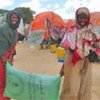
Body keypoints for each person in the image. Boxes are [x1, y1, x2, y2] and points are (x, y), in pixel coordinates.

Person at [59, 7, 100, 100]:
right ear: (77, 18)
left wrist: (94, 46)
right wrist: (64, 65)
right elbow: (67, 48)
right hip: (73, 61)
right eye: (80, 17)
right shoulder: (71, 31)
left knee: (85, 84)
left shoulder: (90, 32)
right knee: (72, 84)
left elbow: (96, 44)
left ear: (88, 18)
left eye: (85, 17)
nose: (83, 20)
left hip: (86, 62)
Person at [0, 10, 20, 100]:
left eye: (16, 18)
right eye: (13, 17)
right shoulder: (2, 28)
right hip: (1, 60)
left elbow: (13, 45)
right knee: (1, 81)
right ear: (8, 18)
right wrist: (2, 58)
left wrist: (10, 57)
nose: (14, 19)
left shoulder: (15, 31)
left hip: (9, 60)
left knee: (8, 80)